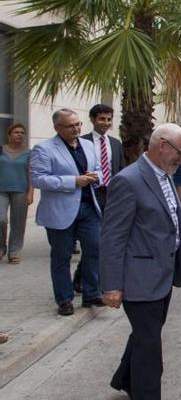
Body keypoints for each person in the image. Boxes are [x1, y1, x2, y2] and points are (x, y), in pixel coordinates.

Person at [101, 123, 181, 398]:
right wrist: (112, 285)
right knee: (150, 348)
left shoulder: (165, 175)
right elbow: (112, 237)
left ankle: (124, 378)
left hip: (163, 276)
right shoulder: (128, 181)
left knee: (144, 335)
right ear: (162, 145)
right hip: (140, 279)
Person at [31, 109, 103, 316]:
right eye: (70, 126)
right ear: (57, 128)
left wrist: (95, 176)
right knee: (61, 257)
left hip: (88, 208)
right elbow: (38, 178)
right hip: (60, 211)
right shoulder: (44, 149)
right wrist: (73, 181)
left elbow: (98, 168)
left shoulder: (88, 145)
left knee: (95, 249)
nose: (76, 129)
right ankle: (64, 299)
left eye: (78, 124)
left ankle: (91, 293)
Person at [73, 103, 124, 293]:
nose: (105, 123)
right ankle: (85, 279)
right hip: (90, 195)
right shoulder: (82, 142)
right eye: (101, 119)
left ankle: (87, 278)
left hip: (111, 195)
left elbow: (121, 171)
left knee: (106, 241)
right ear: (93, 120)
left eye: (109, 119)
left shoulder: (115, 144)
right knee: (94, 241)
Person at [0, 124, 34, 264]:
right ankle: (1, 247)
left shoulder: (29, 153)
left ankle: (14, 251)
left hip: (21, 191)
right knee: (1, 219)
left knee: (18, 223)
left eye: (22, 133)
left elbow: (31, 174)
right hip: (1, 190)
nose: (19, 135)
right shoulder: (1, 150)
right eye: (16, 132)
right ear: (9, 135)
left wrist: (30, 193)